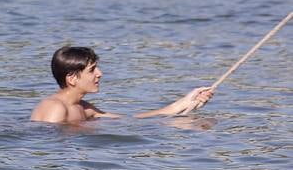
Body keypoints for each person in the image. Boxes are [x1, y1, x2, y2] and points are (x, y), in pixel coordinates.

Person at [29, 45, 212, 124]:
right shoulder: (54, 108)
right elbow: (45, 144)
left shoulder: (85, 108)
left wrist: (185, 103)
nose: (100, 74)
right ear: (72, 78)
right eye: (92, 70)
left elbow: (131, 120)